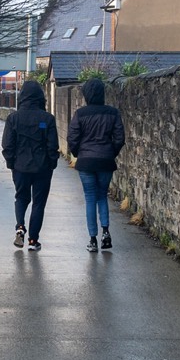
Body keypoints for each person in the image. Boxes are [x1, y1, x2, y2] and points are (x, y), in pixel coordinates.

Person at [66, 77, 126, 252]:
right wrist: (111, 152)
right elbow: (119, 138)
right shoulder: (113, 113)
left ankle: (92, 239)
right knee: (102, 195)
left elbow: (72, 138)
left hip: (86, 161)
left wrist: (79, 154)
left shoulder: (80, 114)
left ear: (86, 94)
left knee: (90, 197)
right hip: (106, 160)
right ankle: (106, 232)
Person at [1, 79, 59, 252]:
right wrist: (52, 164)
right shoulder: (48, 119)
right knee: (38, 203)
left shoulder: (13, 118)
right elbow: (52, 145)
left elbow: (7, 145)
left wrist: (11, 163)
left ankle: (20, 226)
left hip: (20, 167)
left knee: (21, 197)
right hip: (42, 168)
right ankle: (33, 240)